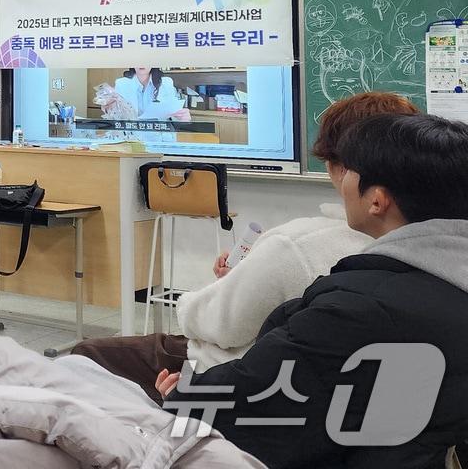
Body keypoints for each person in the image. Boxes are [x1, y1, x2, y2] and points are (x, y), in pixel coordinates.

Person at [161, 113, 468, 468]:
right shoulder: (427, 285)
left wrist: (185, 396)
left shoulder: (359, 307)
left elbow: (252, 404)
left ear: (377, 201)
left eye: (347, 169)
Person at [72, 92, 419, 402]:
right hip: (338, 392)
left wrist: (220, 287)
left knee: (86, 355)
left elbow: (218, 323)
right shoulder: (429, 249)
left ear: (338, 166)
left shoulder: (298, 244)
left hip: (237, 373)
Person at [107, 66, 191, 121]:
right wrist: (108, 107)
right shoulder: (122, 84)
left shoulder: (166, 82)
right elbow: (116, 116)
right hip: (133, 136)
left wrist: (182, 117)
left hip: (160, 136)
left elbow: (173, 114)